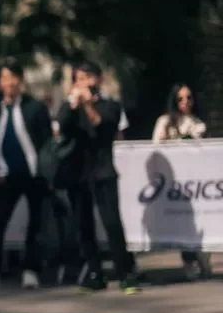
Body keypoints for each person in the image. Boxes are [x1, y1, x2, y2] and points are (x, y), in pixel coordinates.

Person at [57, 61, 139, 293]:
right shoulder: (70, 106)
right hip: (78, 172)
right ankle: (94, 273)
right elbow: (62, 125)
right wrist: (73, 104)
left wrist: (87, 105)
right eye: (78, 78)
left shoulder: (109, 104)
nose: (83, 83)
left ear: (98, 79)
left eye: (87, 77)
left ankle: (125, 273)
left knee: (112, 223)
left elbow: (103, 127)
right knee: (83, 225)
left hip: (103, 171)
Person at [0, 60, 53, 291]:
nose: (9, 83)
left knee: (36, 225)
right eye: (4, 78)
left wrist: (46, 173)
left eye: (12, 77)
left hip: (33, 175)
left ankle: (31, 270)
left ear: (20, 80)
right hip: (4, 176)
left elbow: (47, 143)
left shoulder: (35, 107)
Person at [151, 83, 212, 279]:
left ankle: (202, 258)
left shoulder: (197, 123)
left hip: (195, 182)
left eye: (188, 98)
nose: (185, 102)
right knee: (182, 222)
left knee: (200, 222)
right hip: (173, 183)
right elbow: (155, 148)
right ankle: (189, 260)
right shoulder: (165, 122)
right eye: (180, 98)